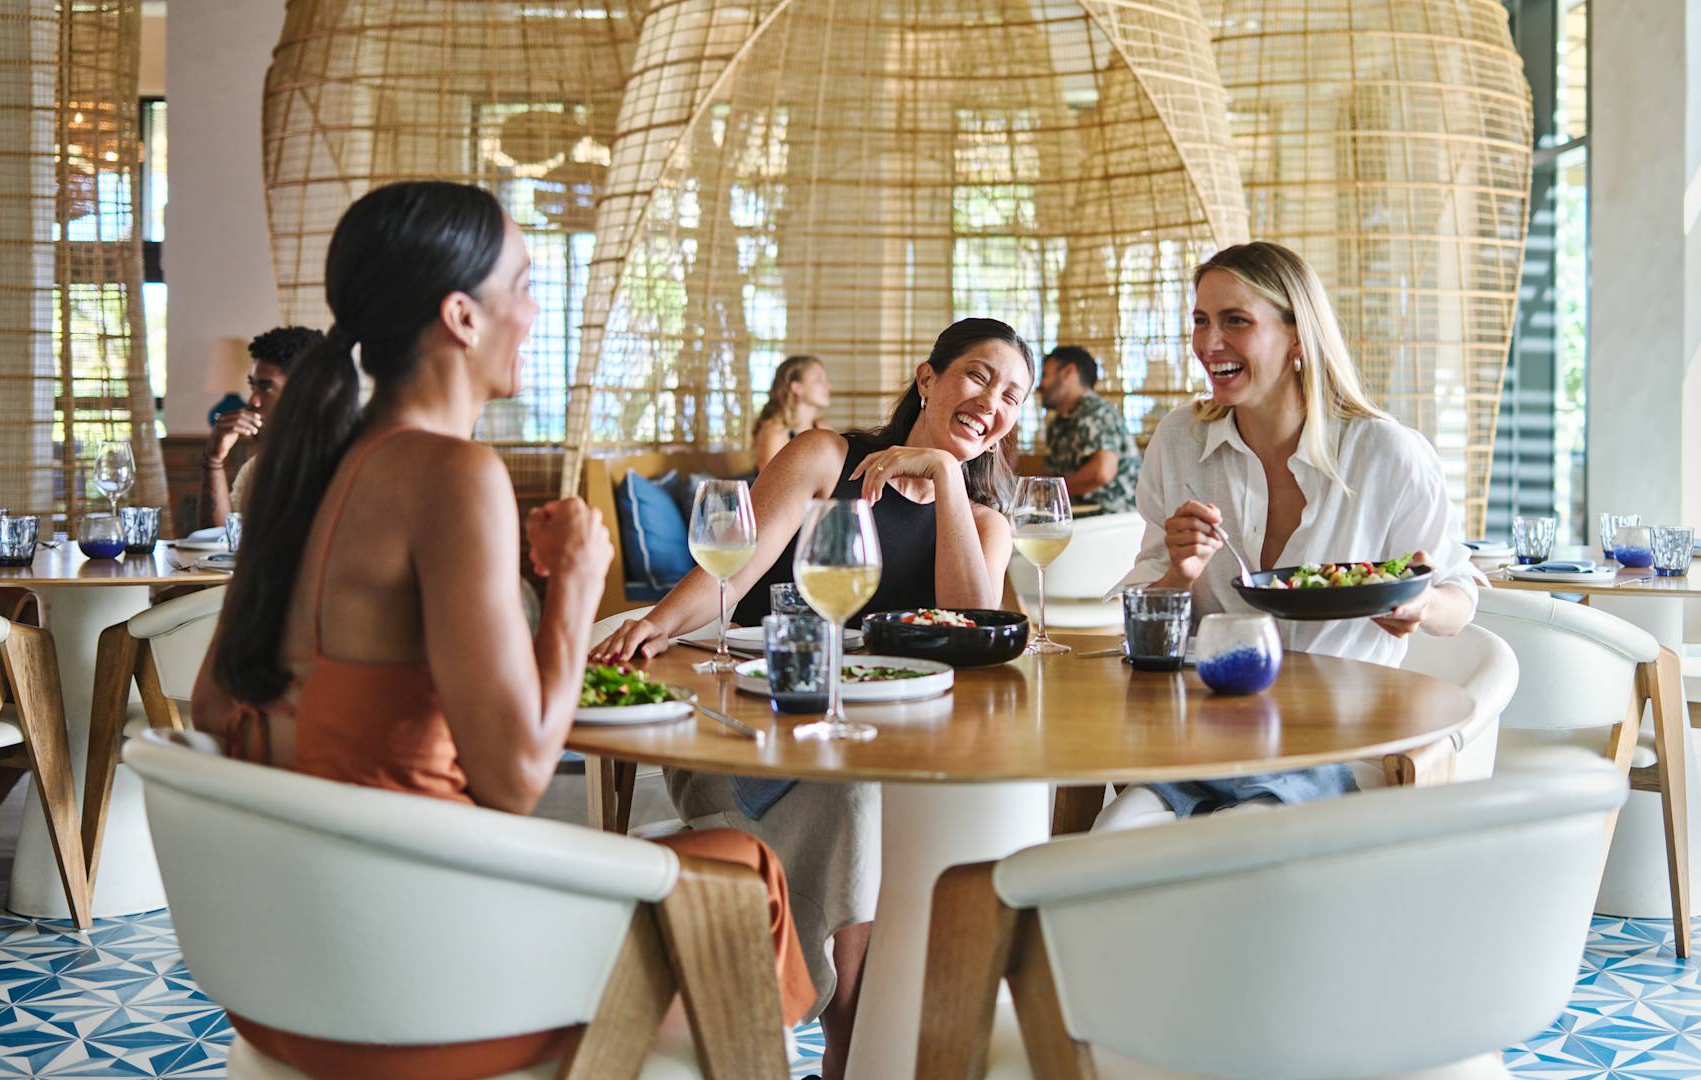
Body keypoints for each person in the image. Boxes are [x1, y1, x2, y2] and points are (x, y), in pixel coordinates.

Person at [189, 181, 814, 1078]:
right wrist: (577, 585)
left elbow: (214, 706)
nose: (534, 309)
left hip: (291, 977)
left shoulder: (312, 466)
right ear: (462, 316)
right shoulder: (451, 474)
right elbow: (518, 780)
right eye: (523, 283)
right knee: (745, 872)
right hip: (419, 986)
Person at [593, 317, 1032, 1079]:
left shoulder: (985, 521)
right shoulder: (829, 458)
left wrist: (949, 480)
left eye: (1013, 398)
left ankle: (833, 1038)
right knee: (855, 799)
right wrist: (655, 623)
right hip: (756, 734)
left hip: (885, 757)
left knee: (874, 797)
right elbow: (734, 566)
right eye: (977, 376)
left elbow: (966, 624)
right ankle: (842, 1043)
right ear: (927, 380)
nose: (991, 401)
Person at [1100, 241, 1484, 830]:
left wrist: (1420, 601)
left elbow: (1458, 600)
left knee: (1239, 841)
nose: (1208, 344)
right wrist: (1178, 571)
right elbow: (1145, 619)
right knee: (1111, 835)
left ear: (1297, 337)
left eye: (1236, 322)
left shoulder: (1387, 454)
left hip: (1341, 740)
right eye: (1201, 321)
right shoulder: (1179, 440)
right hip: (1208, 737)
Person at [198, 325, 324, 530]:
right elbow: (218, 540)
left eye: (266, 387)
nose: (253, 400)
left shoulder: (339, 464)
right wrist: (213, 459)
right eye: (252, 386)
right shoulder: (257, 468)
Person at [1037, 344, 1141, 514]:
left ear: (1068, 372)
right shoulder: (1058, 424)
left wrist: (1050, 491)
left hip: (1112, 522)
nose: (1040, 385)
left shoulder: (1095, 412)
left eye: (1044, 375)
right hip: (1080, 521)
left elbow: (1102, 472)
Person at [752, 354, 834, 470]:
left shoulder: (823, 427)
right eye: (818, 379)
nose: (829, 387)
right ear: (797, 387)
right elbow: (771, 485)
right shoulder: (774, 433)